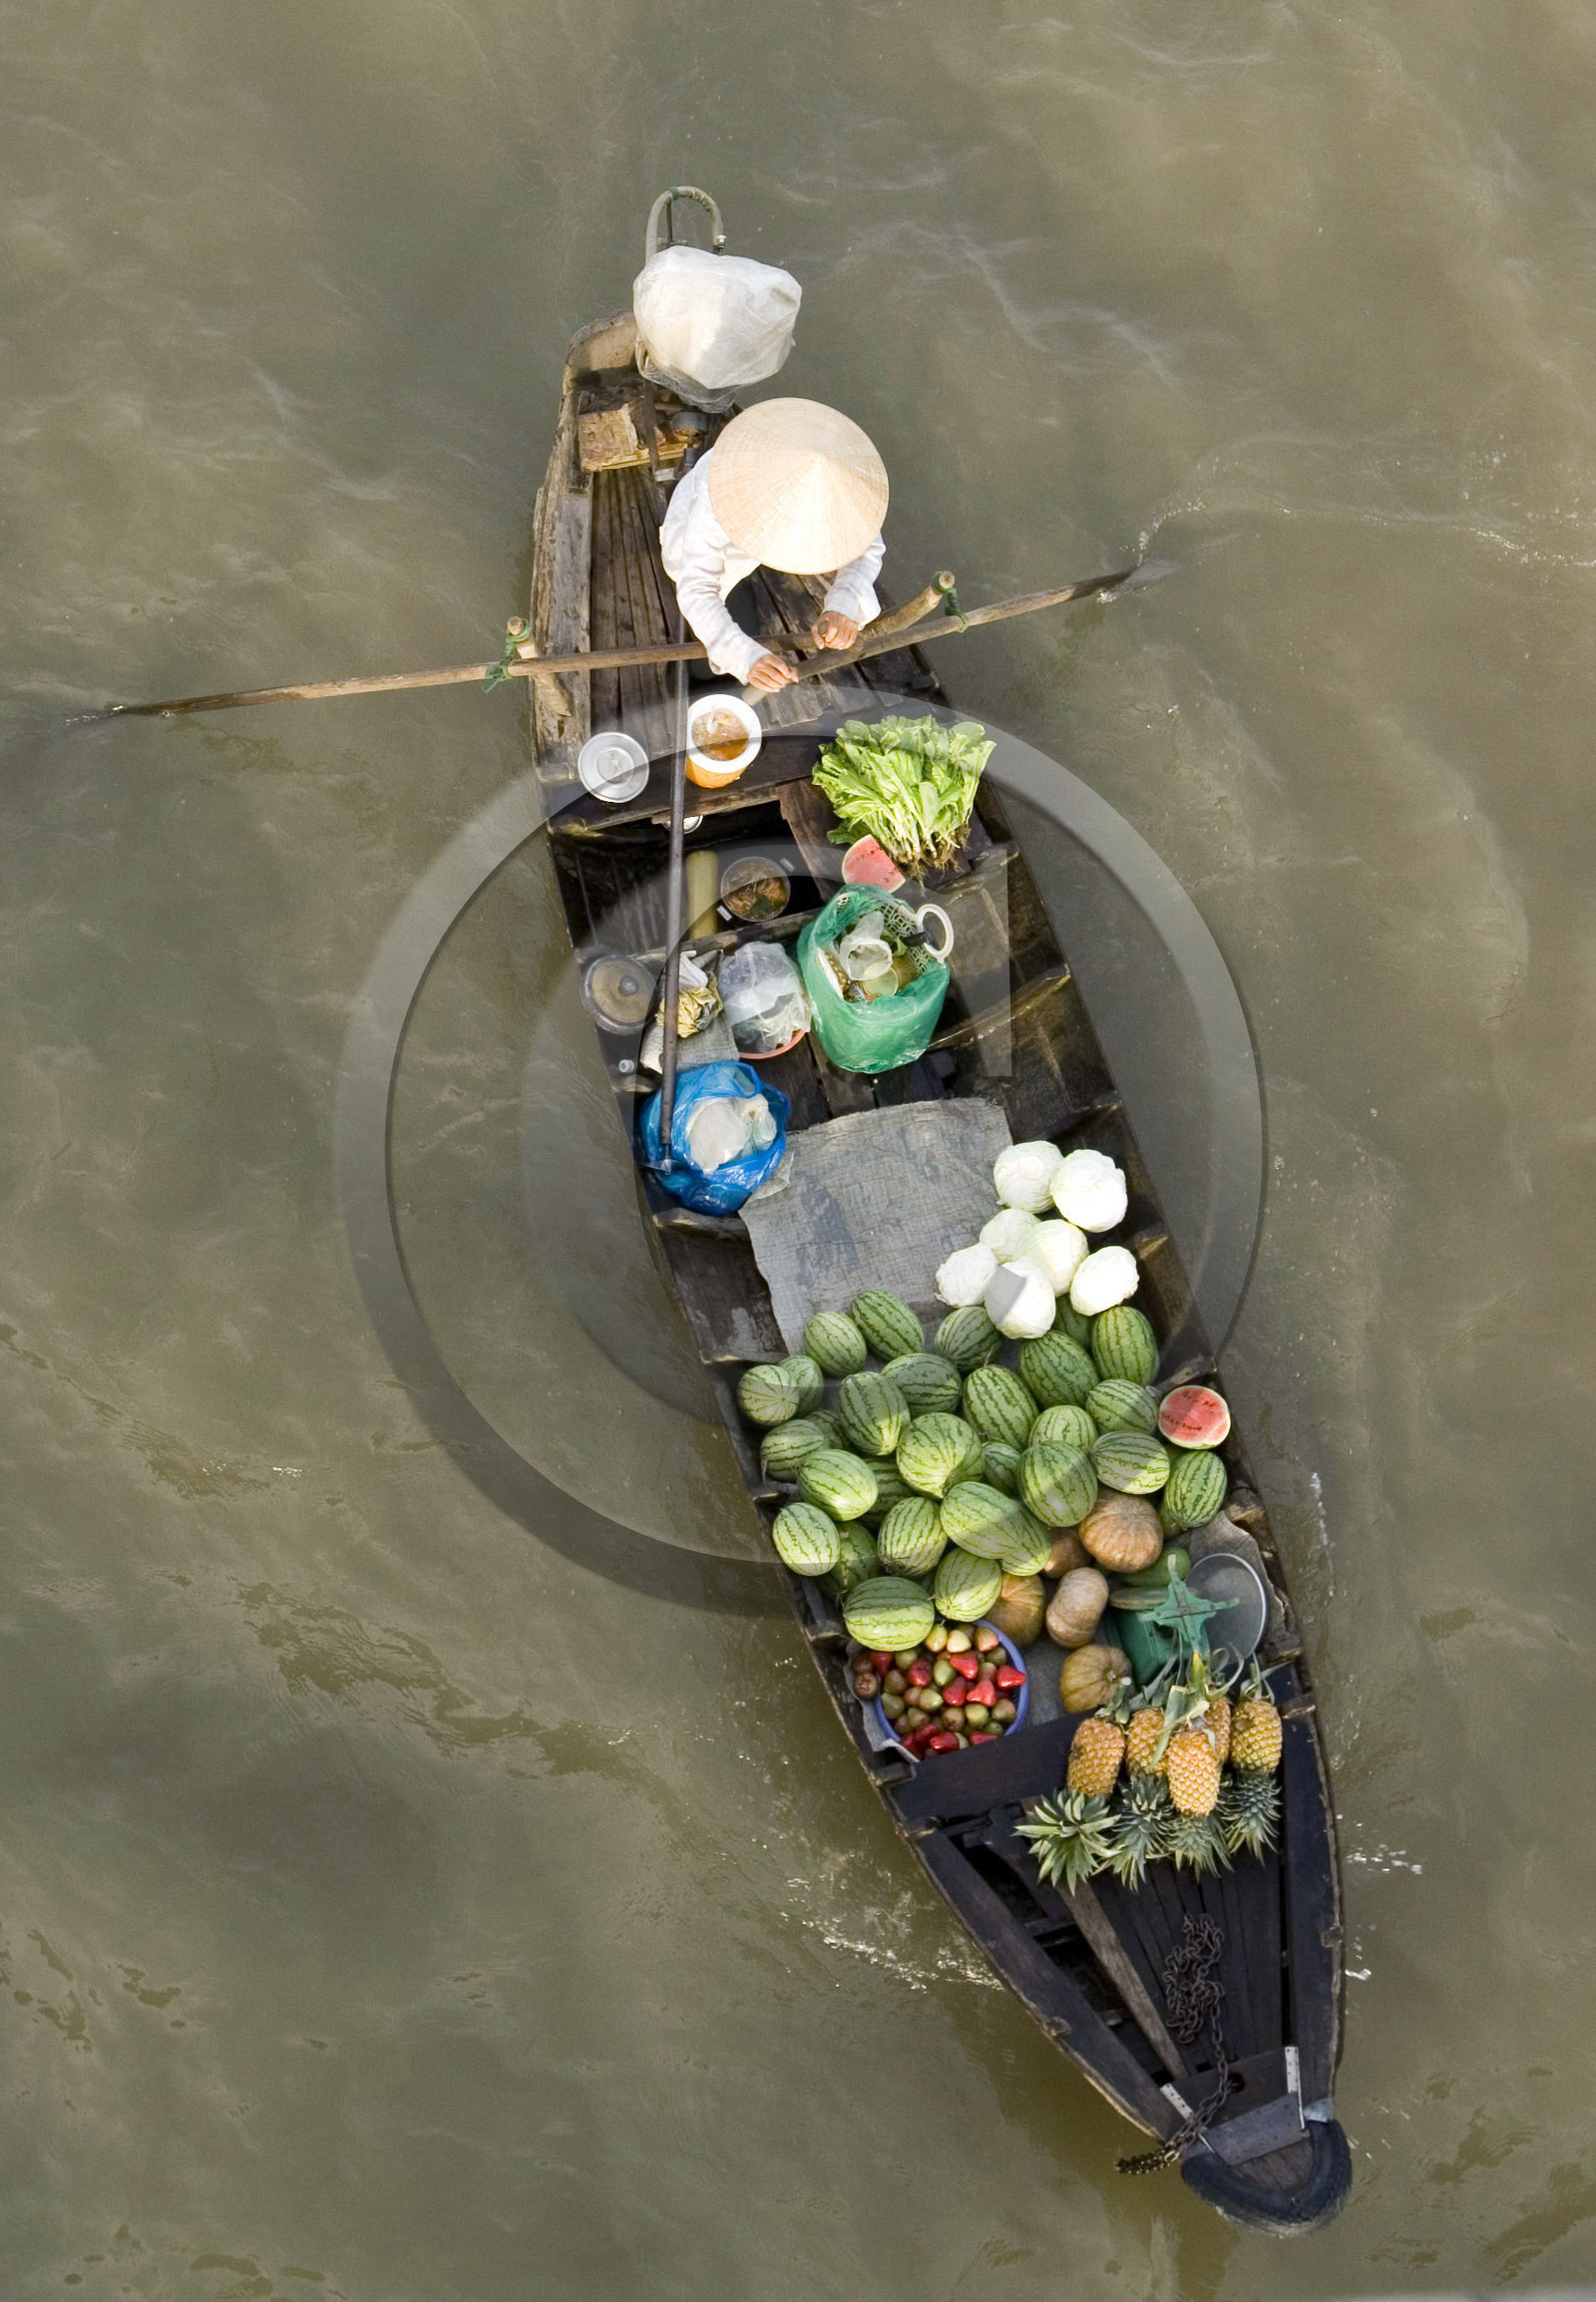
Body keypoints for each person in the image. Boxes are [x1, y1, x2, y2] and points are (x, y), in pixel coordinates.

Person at [660, 398, 887, 693]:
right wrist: (744, 656)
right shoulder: (720, 490)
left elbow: (866, 546)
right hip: (691, 538)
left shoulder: (841, 477)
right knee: (695, 589)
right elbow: (697, 585)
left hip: (740, 545)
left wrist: (843, 602)